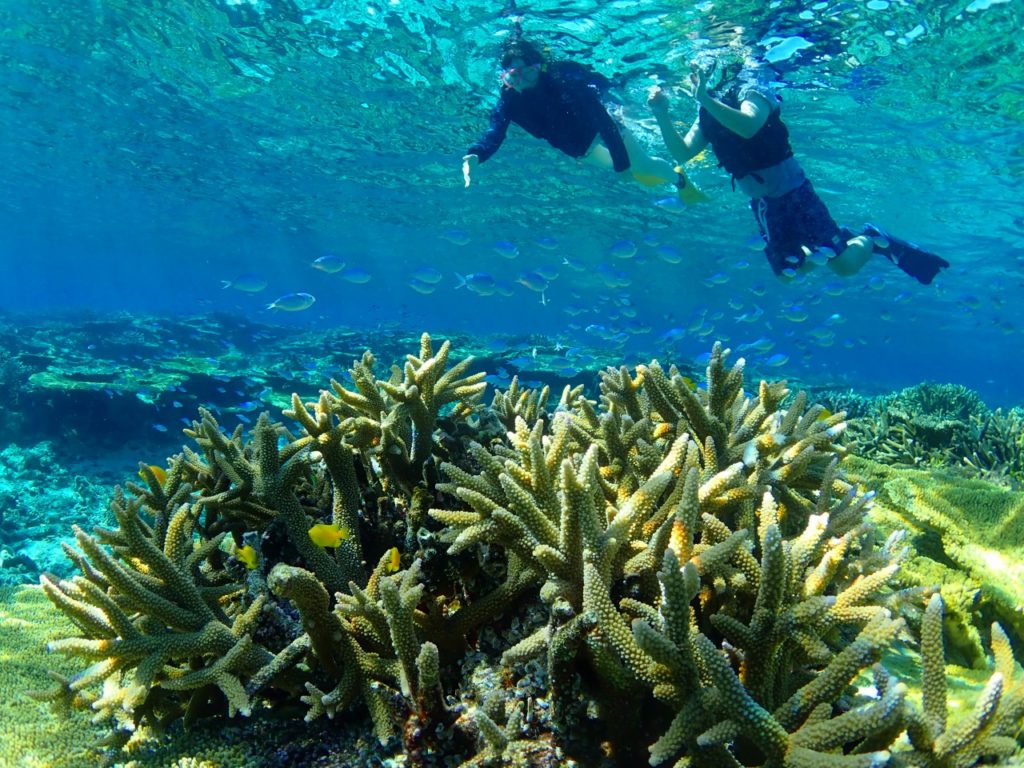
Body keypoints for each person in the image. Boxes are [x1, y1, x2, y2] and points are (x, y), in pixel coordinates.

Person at [648, 59, 950, 284]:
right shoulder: (708, 110)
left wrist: (704, 98)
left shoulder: (753, 86)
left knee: (842, 268)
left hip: (793, 191)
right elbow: (682, 153)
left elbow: (751, 125)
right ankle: (836, 241)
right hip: (764, 203)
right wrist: (661, 113)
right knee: (787, 274)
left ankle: (870, 238)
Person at [463, 38, 707, 204]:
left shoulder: (564, 81)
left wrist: (622, 165)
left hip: (601, 128)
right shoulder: (509, 101)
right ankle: (646, 173)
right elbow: (494, 132)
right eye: (514, 76)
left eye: (529, 70)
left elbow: (603, 122)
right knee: (632, 174)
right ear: (505, 79)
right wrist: (477, 154)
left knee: (640, 166)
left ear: (540, 67)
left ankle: (680, 180)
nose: (525, 80)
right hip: (579, 148)